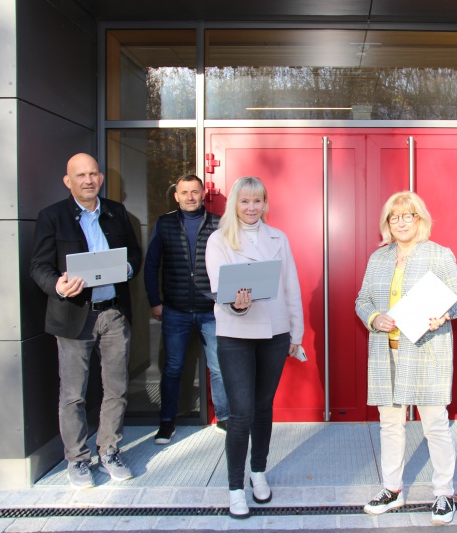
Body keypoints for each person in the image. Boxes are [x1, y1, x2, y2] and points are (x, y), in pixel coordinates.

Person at [30, 153, 141, 489]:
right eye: (81, 175)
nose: (89, 180)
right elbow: (39, 267)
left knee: (117, 389)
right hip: (73, 316)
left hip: (112, 312)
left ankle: (109, 451)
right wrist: (57, 286)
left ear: (101, 178)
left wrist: (127, 268)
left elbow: (134, 253)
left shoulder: (116, 212)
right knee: (73, 394)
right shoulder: (52, 216)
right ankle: (77, 460)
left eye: (94, 174)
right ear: (68, 181)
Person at [355, 191, 457, 526]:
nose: (402, 222)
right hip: (386, 353)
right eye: (395, 217)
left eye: (409, 216)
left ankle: (443, 493)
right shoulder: (379, 259)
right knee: (390, 424)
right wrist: (374, 317)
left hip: (425, 351)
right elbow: (362, 299)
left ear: (420, 219)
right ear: (387, 223)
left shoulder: (439, 255)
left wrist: (443, 314)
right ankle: (392, 489)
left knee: (435, 424)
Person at [205, 176, 304, 519]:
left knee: (263, 407)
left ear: (265, 204)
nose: (251, 207)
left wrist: (296, 334)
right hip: (236, 334)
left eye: (257, 201)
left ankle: (258, 472)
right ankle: (235, 488)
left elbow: (291, 286)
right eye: (245, 201)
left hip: (275, 333)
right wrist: (239, 304)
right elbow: (221, 288)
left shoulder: (279, 238)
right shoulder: (219, 240)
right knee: (242, 411)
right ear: (234, 203)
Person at [143, 174, 229, 445]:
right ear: (176, 196)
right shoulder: (165, 223)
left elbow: (230, 263)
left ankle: (224, 418)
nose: (190, 196)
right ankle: (167, 422)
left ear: (203, 194)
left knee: (218, 367)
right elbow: (151, 265)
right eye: (184, 192)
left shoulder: (218, 223)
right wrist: (154, 301)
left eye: (195, 191)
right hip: (175, 310)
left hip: (210, 310)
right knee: (173, 367)